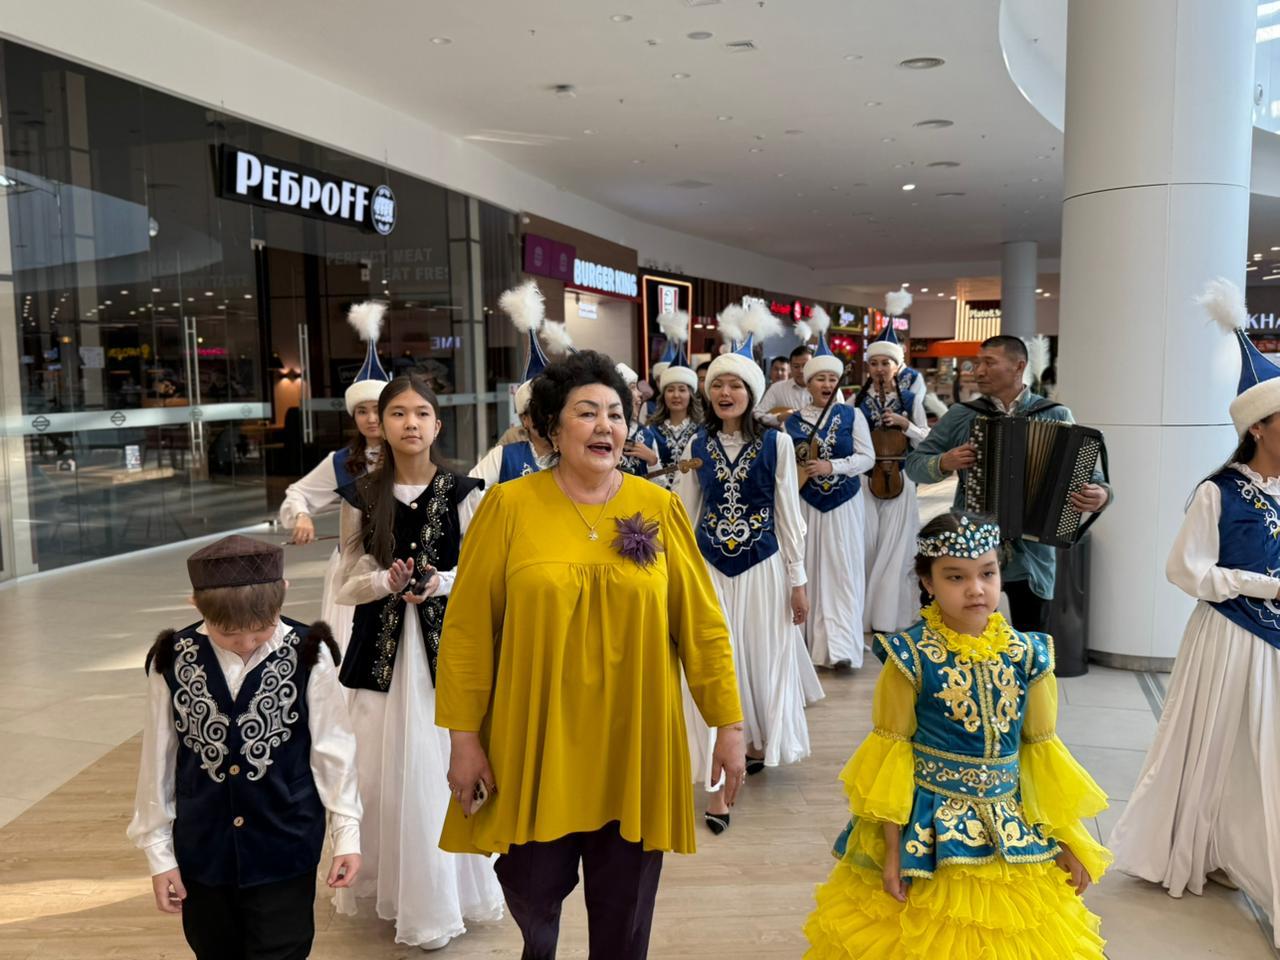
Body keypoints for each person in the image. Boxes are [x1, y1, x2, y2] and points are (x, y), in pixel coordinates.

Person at [435, 349, 745, 960]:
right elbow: (467, 632)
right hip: (536, 739)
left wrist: (728, 725)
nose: (605, 425)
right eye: (586, 412)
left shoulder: (658, 508)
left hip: (635, 741)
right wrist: (464, 738)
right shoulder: (508, 506)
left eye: (616, 414)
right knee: (531, 892)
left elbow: (703, 627)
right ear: (552, 429)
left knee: (625, 913)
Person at [803, 510, 1111, 959]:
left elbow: (1041, 758)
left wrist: (1066, 838)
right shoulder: (910, 657)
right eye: (955, 577)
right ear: (927, 583)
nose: (976, 589)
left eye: (987, 573)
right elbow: (892, 755)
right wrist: (893, 853)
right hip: (929, 834)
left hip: (1012, 829)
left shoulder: (1029, 655)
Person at [1110, 279, 1280, 945]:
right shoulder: (1219, 492)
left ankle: (1242, 846)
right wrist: (1264, 587)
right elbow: (1186, 571)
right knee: (1217, 744)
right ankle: (1205, 844)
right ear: (1258, 427)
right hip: (1231, 637)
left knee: (1264, 753)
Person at [127, 535, 362, 960]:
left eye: (261, 629)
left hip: (286, 844)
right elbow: (158, 761)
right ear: (196, 606)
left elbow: (334, 752)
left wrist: (346, 834)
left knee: (284, 948)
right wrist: (159, 856)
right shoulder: (171, 658)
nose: (247, 642)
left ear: (283, 592)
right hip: (204, 851)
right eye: (229, 633)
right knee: (213, 948)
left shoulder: (311, 652)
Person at [333, 373, 503, 950]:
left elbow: (484, 575)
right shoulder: (360, 496)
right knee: (378, 771)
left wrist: (440, 582)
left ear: (437, 424)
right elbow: (346, 583)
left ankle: (440, 897)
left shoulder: (466, 491)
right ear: (380, 424)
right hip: (378, 658)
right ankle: (390, 887)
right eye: (398, 413)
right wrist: (384, 581)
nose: (411, 423)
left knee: (439, 768)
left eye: (421, 413)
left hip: (445, 654)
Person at [676, 303, 820, 835]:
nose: (725, 392)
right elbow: (684, 514)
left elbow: (788, 514)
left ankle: (755, 743)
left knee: (761, 659)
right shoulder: (696, 444)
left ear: (752, 392)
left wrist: (798, 582)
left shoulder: (777, 443)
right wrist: (676, 576)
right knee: (717, 665)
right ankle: (718, 785)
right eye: (717, 384)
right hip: (710, 570)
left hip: (764, 569)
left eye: (735, 385)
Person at [904, 335, 1110, 632]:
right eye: (977, 363)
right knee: (969, 636)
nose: (978, 371)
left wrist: (1101, 495)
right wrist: (943, 462)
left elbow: (1094, 480)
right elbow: (914, 465)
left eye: (989, 363)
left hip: (1033, 553)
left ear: (1018, 366)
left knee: (1031, 640)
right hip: (973, 546)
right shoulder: (963, 415)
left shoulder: (1055, 414)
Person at [278, 300, 389, 655]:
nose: (371, 418)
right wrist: (301, 515)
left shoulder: (412, 456)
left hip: (400, 564)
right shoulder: (341, 461)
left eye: (378, 409)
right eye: (362, 411)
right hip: (352, 568)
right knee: (351, 652)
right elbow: (298, 493)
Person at [784, 310, 875, 669]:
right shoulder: (791, 422)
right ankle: (809, 647)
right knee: (808, 568)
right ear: (807, 383)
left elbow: (867, 458)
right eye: (819, 378)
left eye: (832, 379)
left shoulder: (853, 415)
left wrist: (832, 467)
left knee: (842, 569)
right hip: (806, 504)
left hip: (844, 503)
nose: (826, 384)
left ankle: (840, 648)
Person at [856, 318, 932, 634]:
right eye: (874, 363)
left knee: (897, 549)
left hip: (901, 478)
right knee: (868, 547)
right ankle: (864, 617)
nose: (879, 369)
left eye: (885, 363)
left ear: (897, 366)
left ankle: (891, 617)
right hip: (866, 480)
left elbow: (926, 438)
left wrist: (905, 425)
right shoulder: (856, 401)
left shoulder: (911, 400)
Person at [471, 283, 560, 487]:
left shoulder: (574, 450)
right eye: (538, 411)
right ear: (524, 419)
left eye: (553, 409)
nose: (547, 417)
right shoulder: (506, 453)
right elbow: (474, 489)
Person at [648, 317, 702, 491]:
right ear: (663, 394)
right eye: (670, 390)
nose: (676, 395)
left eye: (682, 389)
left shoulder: (703, 431)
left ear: (691, 395)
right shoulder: (652, 431)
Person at [617, 361, 661, 477]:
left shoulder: (646, 435)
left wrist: (652, 460)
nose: (640, 393)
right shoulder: (605, 433)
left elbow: (659, 485)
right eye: (633, 387)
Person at [756, 342, 815, 426]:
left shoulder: (825, 390)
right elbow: (758, 414)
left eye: (805, 365)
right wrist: (779, 418)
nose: (801, 371)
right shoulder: (777, 389)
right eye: (796, 366)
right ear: (790, 367)